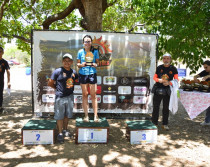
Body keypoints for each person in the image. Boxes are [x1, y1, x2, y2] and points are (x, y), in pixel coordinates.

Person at [48, 53, 78, 143]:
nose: (67, 62)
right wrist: (57, 89)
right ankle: (60, 133)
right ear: (62, 61)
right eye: (65, 61)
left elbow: (75, 81)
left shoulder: (74, 72)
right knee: (59, 116)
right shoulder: (57, 71)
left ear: (72, 62)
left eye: (69, 61)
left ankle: (65, 130)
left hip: (70, 97)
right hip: (60, 97)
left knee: (66, 115)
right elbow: (50, 83)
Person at [152, 53, 179, 130]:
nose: (166, 60)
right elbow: (154, 77)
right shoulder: (159, 67)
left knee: (166, 108)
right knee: (156, 107)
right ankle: (154, 123)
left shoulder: (173, 68)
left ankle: (165, 124)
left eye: (167, 58)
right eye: (164, 58)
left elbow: (176, 80)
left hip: (168, 91)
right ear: (163, 59)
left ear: (170, 59)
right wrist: (159, 80)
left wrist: (169, 83)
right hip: (158, 89)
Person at [77, 35, 100, 122]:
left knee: (93, 95)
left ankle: (95, 116)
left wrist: (95, 64)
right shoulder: (80, 52)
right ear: (83, 43)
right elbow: (77, 64)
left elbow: (98, 63)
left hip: (92, 74)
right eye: (86, 41)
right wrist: (81, 65)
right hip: (83, 74)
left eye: (89, 41)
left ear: (91, 43)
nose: (87, 43)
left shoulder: (95, 51)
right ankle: (86, 115)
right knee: (85, 94)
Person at [193, 60, 210, 126]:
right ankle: (207, 121)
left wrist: (208, 76)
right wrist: (195, 77)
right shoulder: (205, 71)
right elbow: (197, 75)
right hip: (208, 91)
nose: (205, 69)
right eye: (204, 68)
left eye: (206, 67)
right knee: (208, 106)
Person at [0, 47, 11, 113]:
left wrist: (9, 82)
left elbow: (8, 71)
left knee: (0, 94)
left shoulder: (4, 62)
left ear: (3, 53)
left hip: (0, 81)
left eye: (0, 51)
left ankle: (0, 107)